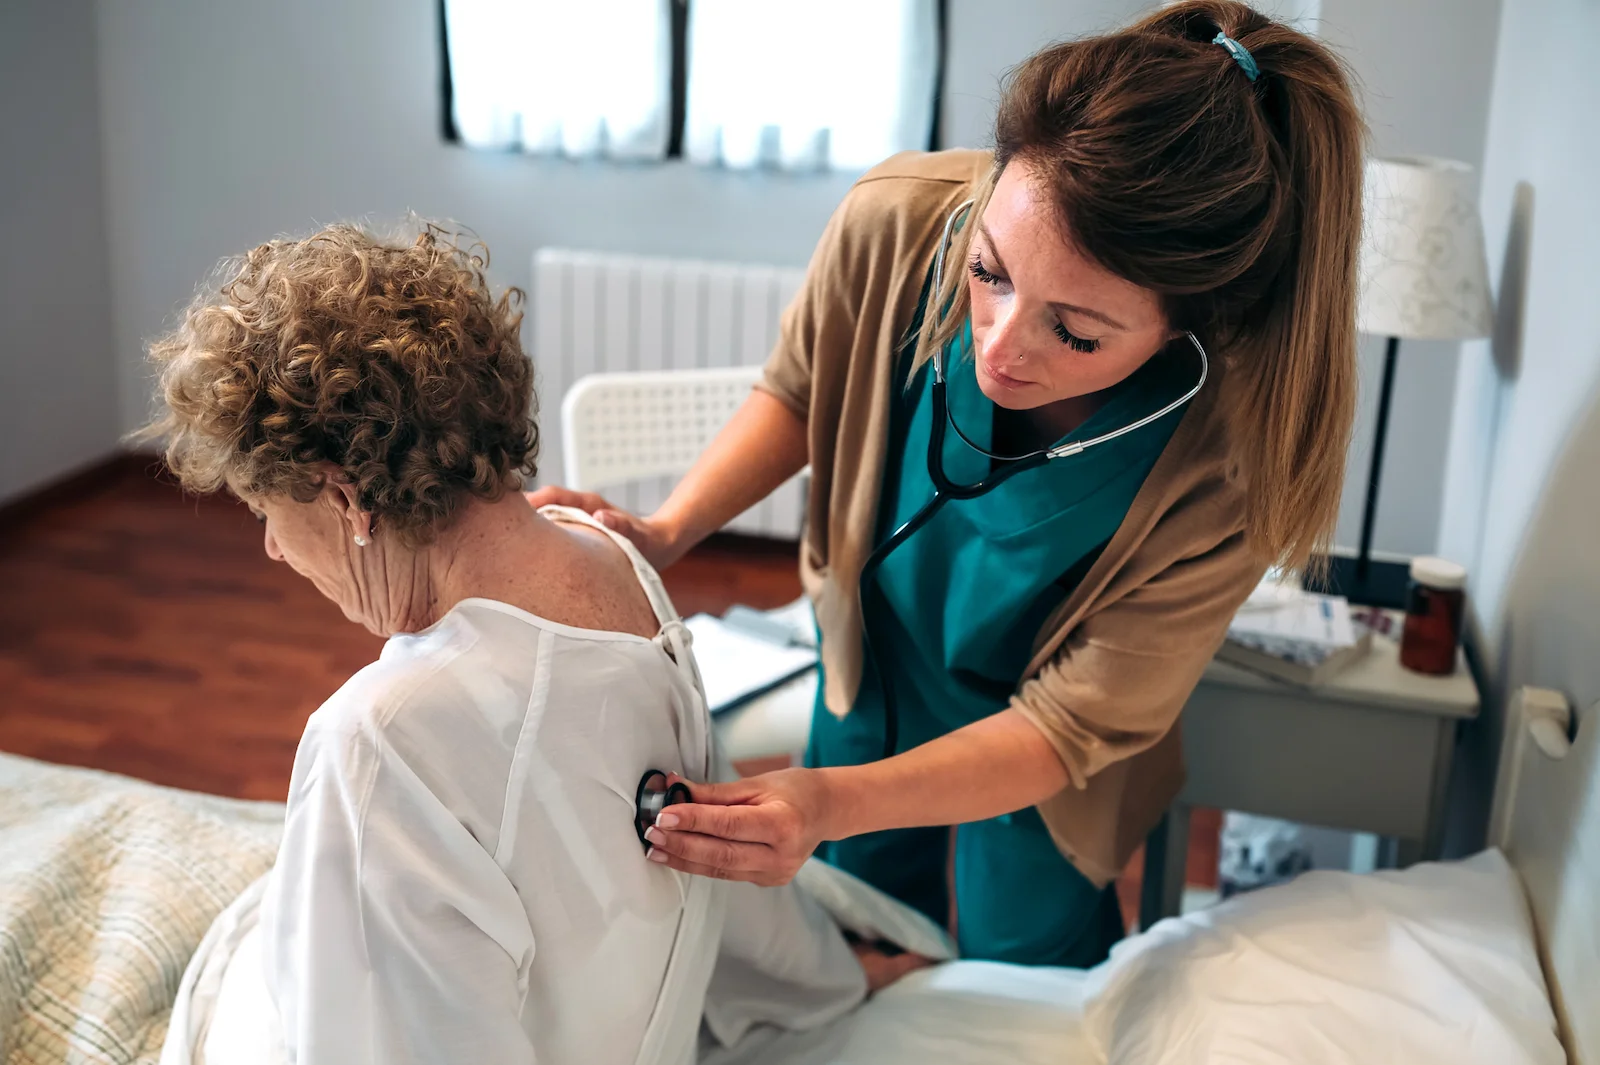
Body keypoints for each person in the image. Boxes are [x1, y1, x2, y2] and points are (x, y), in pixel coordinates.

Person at [530, 0, 1365, 969]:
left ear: (1189, 326)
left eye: (1077, 333)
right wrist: (669, 528)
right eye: (989, 272)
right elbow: (806, 389)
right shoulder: (896, 221)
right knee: (854, 920)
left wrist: (828, 798)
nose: (1002, 346)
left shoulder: (1235, 459)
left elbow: (1063, 728)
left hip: (1049, 752)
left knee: (1030, 956)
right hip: (880, 657)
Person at [145, 225, 881, 1065]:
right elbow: (710, 877)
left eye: (266, 510)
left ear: (346, 500)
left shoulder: (383, 742)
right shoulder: (614, 557)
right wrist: (832, 977)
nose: (273, 547)